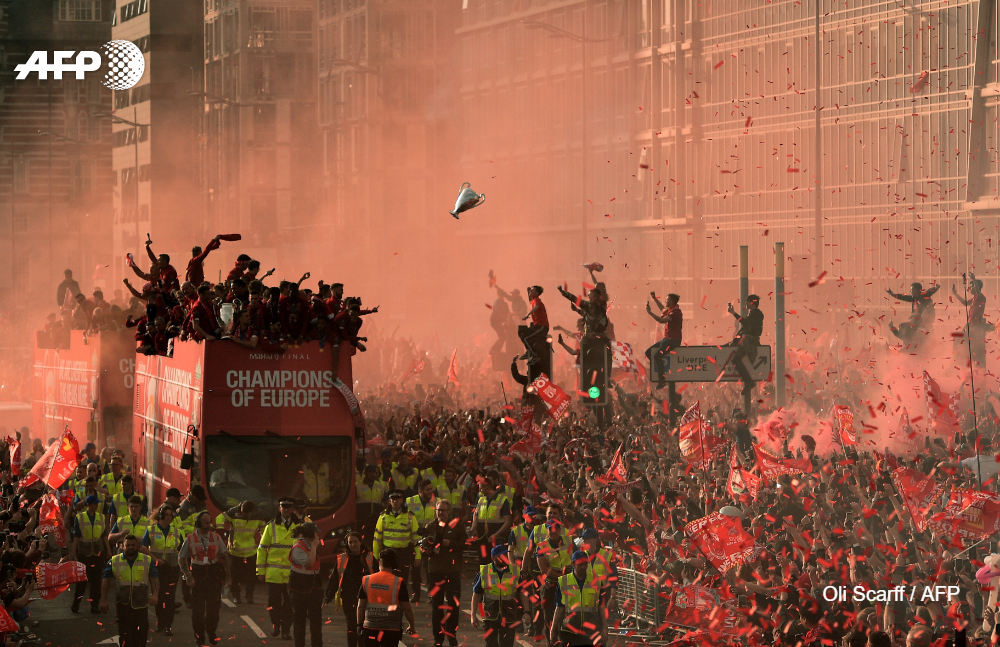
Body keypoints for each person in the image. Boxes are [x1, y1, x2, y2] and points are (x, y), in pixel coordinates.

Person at [180, 511, 231, 646]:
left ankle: (211, 631)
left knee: (214, 609)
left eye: (210, 522)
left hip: (214, 576)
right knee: (198, 611)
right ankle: (199, 636)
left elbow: (225, 556)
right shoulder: (190, 539)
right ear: (198, 523)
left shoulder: (216, 537)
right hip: (198, 576)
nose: (209, 525)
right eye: (205, 523)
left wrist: (228, 576)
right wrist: (188, 576)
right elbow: (181, 558)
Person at [422, 499, 467, 647]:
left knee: (453, 605)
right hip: (435, 571)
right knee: (437, 606)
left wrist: (450, 543)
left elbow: (466, 544)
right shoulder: (430, 526)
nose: (440, 513)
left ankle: (451, 635)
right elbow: (423, 546)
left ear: (449, 512)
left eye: (443, 510)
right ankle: (438, 638)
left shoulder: (456, 525)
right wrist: (426, 550)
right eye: (438, 510)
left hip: (453, 570)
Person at [100, 535, 158, 647]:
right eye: (128, 545)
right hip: (123, 605)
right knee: (125, 637)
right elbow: (106, 582)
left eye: (133, 545)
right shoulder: (114, 561)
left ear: (138, 546)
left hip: (141, 605)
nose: (131, 547)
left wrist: (155, 595)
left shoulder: (147, 560)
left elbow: (154, 579)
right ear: (123, 546)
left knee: (141, 636)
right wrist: (103, 600)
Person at [257, 497, 302, 639]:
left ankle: (286, 630)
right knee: (274, 602)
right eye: (284, 507)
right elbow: (262, 549)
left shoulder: (300, 526)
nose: (286, 510)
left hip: (293, 574)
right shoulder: (271, 526)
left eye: (289, 508)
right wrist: (260, 571)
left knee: (289, 604)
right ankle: (275, 624)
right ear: (280, 508)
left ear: (292, 509)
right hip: (274, 573)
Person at [357, 548, 416, 647]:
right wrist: (412, 626)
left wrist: (359, 624)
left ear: (380, 562)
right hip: (391, 630)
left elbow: (360, 606)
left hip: (370, 627)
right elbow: (407, 609)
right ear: (395, 564)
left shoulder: (367, 580)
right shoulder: (398, 582)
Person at [140, 504, 182, 635]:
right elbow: (143, 547)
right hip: (157, 569)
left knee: (170, 597)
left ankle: (168, 625)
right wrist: (155, 559)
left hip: (172, 568)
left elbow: (182, 549)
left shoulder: (176, 531)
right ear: (161, 515)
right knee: (158, 595)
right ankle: (160, 622)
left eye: (170, 515)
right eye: (166, 515)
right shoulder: (151, 530)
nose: (169, 517)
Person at [326, 531, 374, 647]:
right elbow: (335, 579)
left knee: (363, 626)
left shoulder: (369, 557)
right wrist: (328, 597)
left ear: (360, 542)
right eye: (350, 542)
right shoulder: (342, 558)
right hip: (348, 597)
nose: (353, 545)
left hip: (366, 597)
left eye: (355, 542)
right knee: (351, 626)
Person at [550, 551, 607, 647]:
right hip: (570, 633)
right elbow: (559, 607)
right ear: (573, 564)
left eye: (585, 564)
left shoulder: (596, 581)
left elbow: (601, 605)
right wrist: (553, 629)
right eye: (580, 564)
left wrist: (605, 627)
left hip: (591, 633)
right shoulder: (563, 581)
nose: (583, 567)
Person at [471, 545, 523, 647]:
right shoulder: (485, 571)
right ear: (493, 558)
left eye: (505, 555)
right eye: (501, 556)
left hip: (509, 616)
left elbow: (522, 592)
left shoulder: (515, 571)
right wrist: (473, 615)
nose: (505, 558)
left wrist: (527, 611)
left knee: (507, 644)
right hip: (490, 616)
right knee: (491, 644)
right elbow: (476, 594)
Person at [71, 494, 111, 614]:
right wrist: (74, 551)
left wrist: (108, 550)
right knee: (82, 581)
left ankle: (94, 606)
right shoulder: (80, 518)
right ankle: (76, 604)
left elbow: (104, 535)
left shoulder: (101, 517)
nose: (96, 506)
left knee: (96, 582)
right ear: (88, 504)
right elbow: (76, 535)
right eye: (94, 504)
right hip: (84, 553)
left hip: (98, 553)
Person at [217, 500, 262, 604]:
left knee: (252, 576)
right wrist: (221, 533)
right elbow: (219, 518)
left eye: (246, 513)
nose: (243, 515)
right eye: (242, 512)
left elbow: (263, 527)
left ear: (251, 511)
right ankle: (236, 596)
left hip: (251, 551)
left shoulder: (257, 514)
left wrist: (263, 541)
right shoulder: (234, 512)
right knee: (235, 576)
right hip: (235, 551)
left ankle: (249, 595)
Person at [288, 522, 324, 647]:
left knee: (316, 620)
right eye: (315, 533)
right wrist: (314, 547)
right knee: (300, 620)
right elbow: (309, 564)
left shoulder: (311, 546)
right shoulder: (298, 548)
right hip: (299, 589)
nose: (317, 536)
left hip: (314, 587)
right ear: (310, 535)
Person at [726, 294, 764, 410]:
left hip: (749, 342)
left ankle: (749, 382)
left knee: (736, 360)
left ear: (752, 303)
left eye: (747, 302)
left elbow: (746, 324)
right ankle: (748, 382)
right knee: (735, 358)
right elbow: (745, 327)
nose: (746, 304)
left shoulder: (757, 314)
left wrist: (734, 313)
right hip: (747, 340)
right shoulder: (753, 314)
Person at [374, 490, 419, 586]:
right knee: (386, 580)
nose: (395, 501)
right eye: (392, 498)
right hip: (387, 552)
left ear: (402, 500)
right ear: (389, 500)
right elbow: (377, 538)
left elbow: (416, 538)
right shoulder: (383, 516)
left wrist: (418, 555)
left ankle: (400, 596)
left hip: (403, 553)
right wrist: (376, 556)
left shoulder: (410, 516)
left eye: (397, 498)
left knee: (402, 580)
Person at [470, 470, 512, 565]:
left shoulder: (502, 500)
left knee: (497, 562)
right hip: (482, 537)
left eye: (481, 488)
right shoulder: (481, 500)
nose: (480, 491)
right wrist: (473, 529)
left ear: (487, 487)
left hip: (496, 537)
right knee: (483, 562)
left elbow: (507, 521)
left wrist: (496, 535)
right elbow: (476, 516)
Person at [405, 479, 436, 602]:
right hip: (415, 540)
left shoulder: (436, 501)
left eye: (431, 489)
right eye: (427, 490)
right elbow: (405, 519)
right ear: (420, 491)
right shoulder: (410, 502)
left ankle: (431, 594)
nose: (430, 492)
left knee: (430, 569)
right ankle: (415, 594)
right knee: (415, 569)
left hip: (429, 540)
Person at [644, 292, 683, 386]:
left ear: (672, 301)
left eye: (667, 300)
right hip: (667, 339)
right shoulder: (671, 310)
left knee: (657, 356)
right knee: (648, 352)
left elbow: (661, 320)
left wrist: (650, 313)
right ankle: (659, 368)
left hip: (673, 341)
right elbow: (662, 309)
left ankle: (662, 379)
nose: (665, 301)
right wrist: (654, 298)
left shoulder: (675, 313)